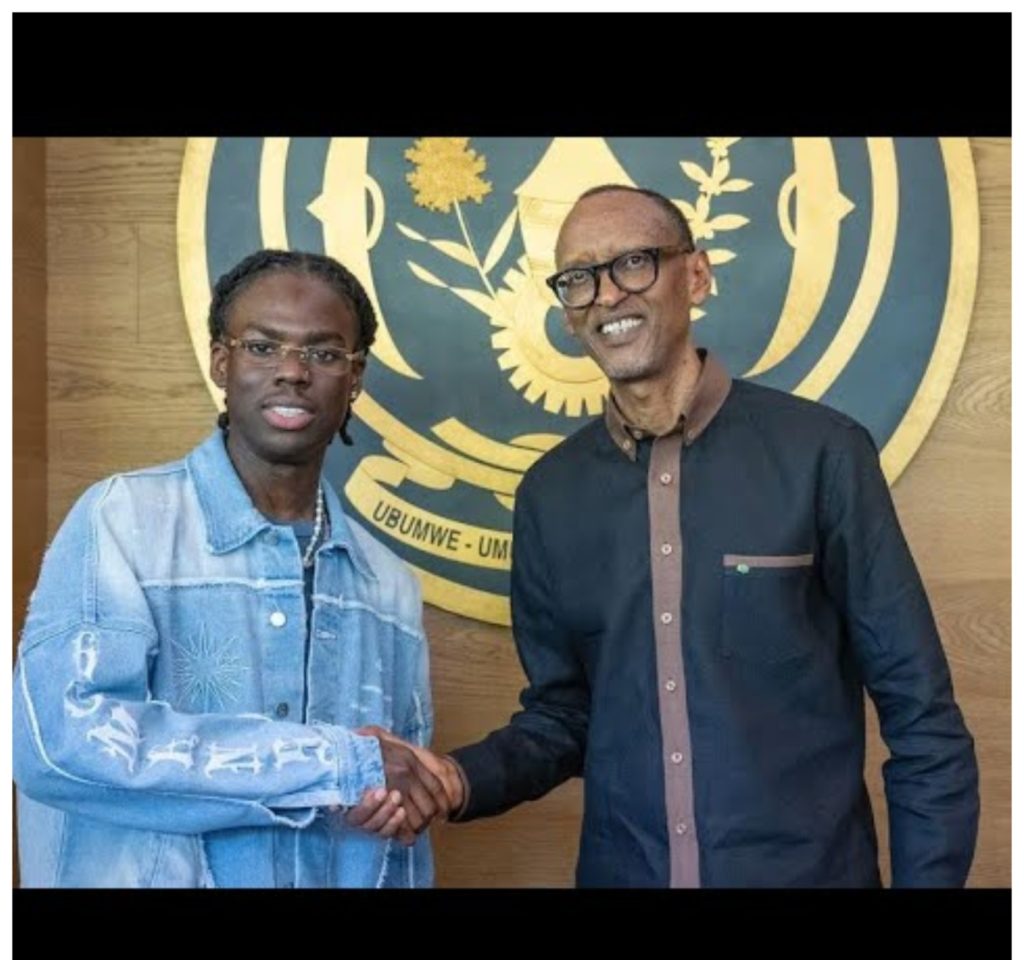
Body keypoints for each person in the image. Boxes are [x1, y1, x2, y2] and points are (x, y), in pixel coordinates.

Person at [369, 184, 980, 887]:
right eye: (579, 278)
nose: (606, 295)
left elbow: (922, 717)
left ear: (696, 275)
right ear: (566, 311)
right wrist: (456, 778)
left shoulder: (823, 454)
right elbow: (565, 716)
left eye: (633, 263)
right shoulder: (549, 496)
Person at [13, 249, 453, 888]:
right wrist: (336, 763)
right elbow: (60, 745)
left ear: (355, 377)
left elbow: (399, 815)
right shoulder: (123, 521)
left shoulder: (387, 585)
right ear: (222, 362)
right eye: (263, 347)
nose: (293, 372)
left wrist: (392, 793)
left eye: (325, 353)